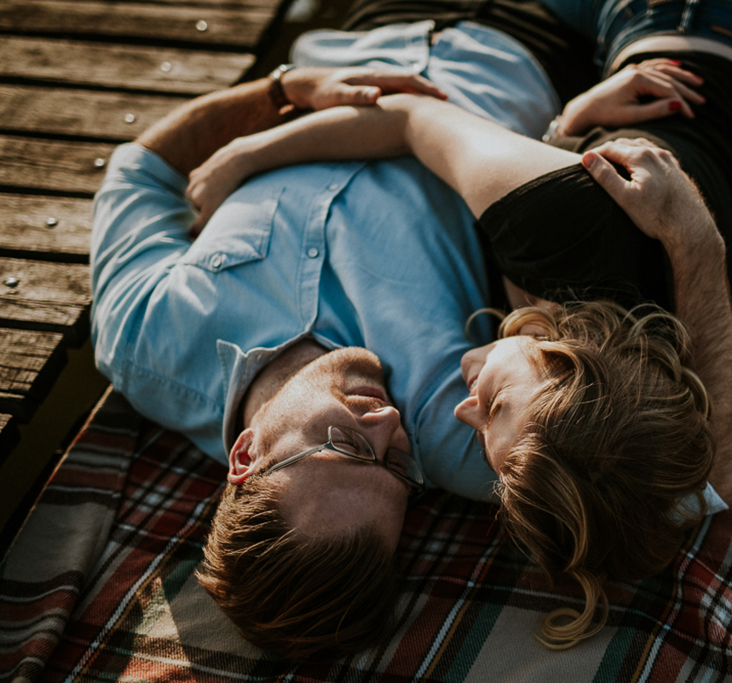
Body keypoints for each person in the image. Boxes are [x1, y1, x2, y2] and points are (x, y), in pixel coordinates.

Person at [185, 0, 732, 650]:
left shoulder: (631, 395)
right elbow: (412, 116)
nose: (461, 410)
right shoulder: (554, 226)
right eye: (494, 406)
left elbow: (726, 482)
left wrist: (567, 133)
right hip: (705, 34)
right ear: (562, 359)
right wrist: (241, 157)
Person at [89, 6, 600, 659]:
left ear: (245, 456)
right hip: (536, 44)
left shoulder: (144, 339)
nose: (388, 422)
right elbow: (679, 489)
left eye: (348, 445)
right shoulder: (465, 429)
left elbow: (143, 168)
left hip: (367, 24)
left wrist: (286, 89)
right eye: (396, 466)